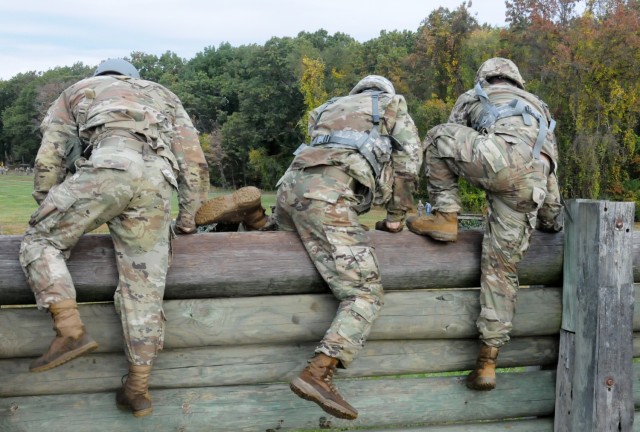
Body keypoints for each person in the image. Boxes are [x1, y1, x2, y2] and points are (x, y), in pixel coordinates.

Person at [196, 75, 422, 419]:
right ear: (385, 94)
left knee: (291, 240)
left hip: (291, 186)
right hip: (330, 194)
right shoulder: (394, 106)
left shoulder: (329, 107)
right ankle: (318, 373)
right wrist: (394, 217)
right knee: (365, 293)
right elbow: (409, 164)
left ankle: (255, 215)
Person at [18, 59, 210, 417]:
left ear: (99, 76)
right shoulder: (164, 94)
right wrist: (187, 219)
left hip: (109, 166)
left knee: (39, 240)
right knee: (143, 290)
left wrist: (50, 205)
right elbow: (194, 162)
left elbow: (50, 156)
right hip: (157, 182)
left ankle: (70, 330)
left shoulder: (77, 90)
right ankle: (137, 388)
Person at [405, 58, 563, 391]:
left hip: (496, 160)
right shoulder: (541, 110)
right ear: (517, 80)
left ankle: (446, 216)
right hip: (531, 184)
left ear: (486, 77)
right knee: (501, 272)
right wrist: (549, 219)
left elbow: (453, 142)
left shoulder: (475, 95)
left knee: (436, 138)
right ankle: (487, 361)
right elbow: (550, 170)